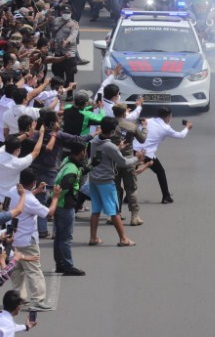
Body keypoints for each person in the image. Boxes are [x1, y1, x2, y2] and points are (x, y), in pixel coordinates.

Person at [8, 169, 61, 312]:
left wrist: (36, 191)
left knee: (16, 269)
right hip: (27, 240)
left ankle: (19, 298)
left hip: (11, 238)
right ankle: (38, 300)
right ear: (32, 182)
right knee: (34, 270)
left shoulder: (13, 190)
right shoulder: (30, 200)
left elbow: (23, 198)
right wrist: (55, 197)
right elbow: (48, 213)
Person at [88, 117, 139, 247]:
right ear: (112, 130)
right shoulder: (109, 146)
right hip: (105, 181)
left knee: (96, 210)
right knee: (114, 211)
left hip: (94, 179)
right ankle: (123, 239)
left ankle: (93, 237)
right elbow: (123, 162)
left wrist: (117, 148)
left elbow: (101, 155)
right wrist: (136, 158)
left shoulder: (95, 141)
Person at [133, 108, 191, 204]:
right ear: (168, 116)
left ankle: (128, 196)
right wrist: (187, 127)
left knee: (131, 174)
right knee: (160, 172)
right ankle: (166, 196)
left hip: (134, 149)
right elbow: (180, 135)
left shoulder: (148, 120)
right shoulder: (165, 128)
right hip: (146, 154)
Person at [52, 142, 87, 276]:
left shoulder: (67, 161)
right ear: (81, 152)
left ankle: (60, 264)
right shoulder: (72, 170)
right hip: (65, 205)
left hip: (59, 204)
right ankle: (68, 265)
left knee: (59, 236)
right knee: (66, 237)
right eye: (84, 151)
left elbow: (80, 171)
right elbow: (65, 186)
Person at [112, 104, 147, 225]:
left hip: (113, 162)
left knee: (115, 189)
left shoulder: (109, 125)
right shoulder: (131, 126)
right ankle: (134, 216)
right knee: (131, 189)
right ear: (124, 113)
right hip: (128, 161)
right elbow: (142, 139)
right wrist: (144, 128)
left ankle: (115, 214)